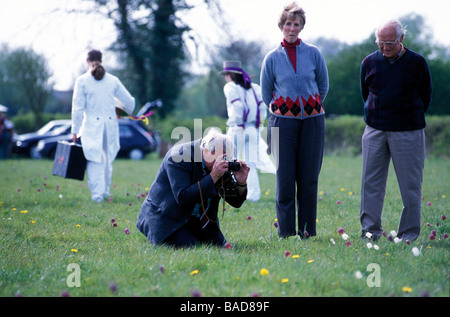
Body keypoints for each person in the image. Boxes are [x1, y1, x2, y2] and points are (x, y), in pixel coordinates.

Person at [260, 2, 329, 239]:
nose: (292, 28)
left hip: (313, 123)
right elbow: (266, 94)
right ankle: (287, 233)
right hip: (281, 124)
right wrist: (284, 111)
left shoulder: (314, 53)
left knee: (309, 179)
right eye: (288, 23)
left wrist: (310, 107)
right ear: (282, 26)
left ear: (301, 27)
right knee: (285, 180)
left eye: (296, 24)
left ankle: (307, 231)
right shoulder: (271, 58)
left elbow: (323, 86)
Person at [359, 19, 432, 241]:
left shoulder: (417, 63)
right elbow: (365, 93)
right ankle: (370, 231)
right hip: (375, 130)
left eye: (389, 42)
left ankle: (408, 234)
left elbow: (425, 96)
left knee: (411, 185)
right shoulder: (369, 62)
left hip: (408, 132)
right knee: (370, 183)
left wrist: (408, 117)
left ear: (401, 39)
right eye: (380, 42)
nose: (384, 47)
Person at [136, 129, 249, 248]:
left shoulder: (219, 164)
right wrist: (213, 176)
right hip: (166, 217)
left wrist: (241, 182)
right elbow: (183, 197)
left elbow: (236, 203)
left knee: (220, 247)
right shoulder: (179, 156)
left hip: (197, 219)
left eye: (227, 158)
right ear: (208, 150)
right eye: (223, 157)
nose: (224, 161)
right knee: (190, 247)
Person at [71, 49, 135, 202]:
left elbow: (78, 108)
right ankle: (105, 192)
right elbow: (130, 102)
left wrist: (74, 130)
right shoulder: (113, 80)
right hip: (110, 126)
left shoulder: (82, 81)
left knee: (95, 160)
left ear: (87, 61)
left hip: (92, 126)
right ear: (101, 60)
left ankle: (97, 196)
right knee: (107, 160)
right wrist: (120, 111)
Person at [220, 60, 275, 202]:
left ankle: (229, 193)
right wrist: (258, 124)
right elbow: (263, 108)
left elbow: (237, 106)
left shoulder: (229, 87)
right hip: (253, 128)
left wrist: (237, 121)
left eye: (226, 74)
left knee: (229, 160)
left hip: (238, 127)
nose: (225, 77)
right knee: (250, 163)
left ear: (229, 75)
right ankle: (253, 196)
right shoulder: (254, 87)